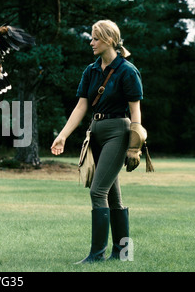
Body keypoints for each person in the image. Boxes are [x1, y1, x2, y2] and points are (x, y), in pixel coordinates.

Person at [50, 20, 146, 263]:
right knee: (113, 197)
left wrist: (134, 147)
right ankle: (122, 253)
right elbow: (81, 106)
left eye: (95, 38)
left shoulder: (127, 70)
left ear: (109, 40)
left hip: (118, 131)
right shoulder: (91, 70)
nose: (91, 42)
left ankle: (96, 255)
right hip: (96, 133)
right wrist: (62, 135)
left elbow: (135, 111)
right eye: (91, 38)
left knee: (97, 191)